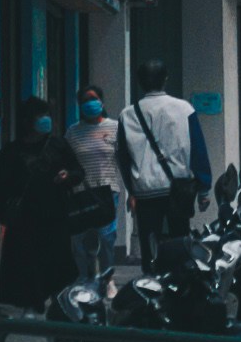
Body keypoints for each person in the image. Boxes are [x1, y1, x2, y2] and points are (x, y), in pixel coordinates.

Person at [0, 99, 84, 309]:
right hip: (25, 220)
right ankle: (32, 307)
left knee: (57, 266)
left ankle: (58, 305)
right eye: (40, 115)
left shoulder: (58, 145)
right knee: (27, 268)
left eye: (46, 114)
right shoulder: (12, 152)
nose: (46, 120)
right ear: (26, 121)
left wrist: (67, 175)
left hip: (55, 217)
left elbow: (78, 172)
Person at [117, 63, 210, 264]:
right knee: (180, 240)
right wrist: (203, 189)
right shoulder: (184, 109)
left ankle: (152, 282)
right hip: (179, 189)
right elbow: (198, 150)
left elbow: (123, 158)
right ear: (165, 79)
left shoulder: (127, 115)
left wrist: (131, 190)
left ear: (140, 82)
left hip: (145, 191)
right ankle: (179, 282)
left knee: (150, 245)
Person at [65, 85, 123, 279]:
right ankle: (83, 279)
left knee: (106, 237)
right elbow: (65, 160)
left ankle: (107, 279)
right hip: (81, 192)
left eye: (93, 98)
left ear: (101, 102)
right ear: (80, 105)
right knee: (79, 239)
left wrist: (132, 192)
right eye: (85, 100)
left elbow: (125, 159)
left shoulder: (115, 127)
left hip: (108, 190)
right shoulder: (73, 132)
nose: (90, 103)